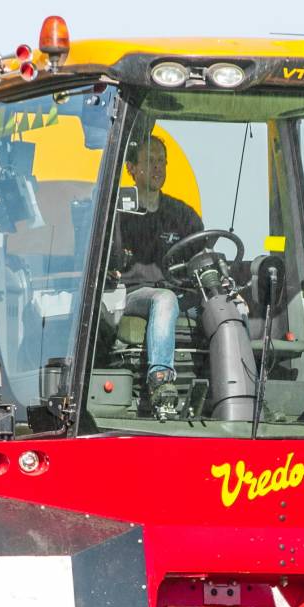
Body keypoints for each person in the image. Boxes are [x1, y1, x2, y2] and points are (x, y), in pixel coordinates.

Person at [114, 131, 202, 409]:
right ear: (131, 168)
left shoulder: (182, 214)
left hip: (179, 292)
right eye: (150, 160)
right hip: (132, 294)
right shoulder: (116, 212)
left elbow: (201, 256)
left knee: (224, 306)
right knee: (164, 300)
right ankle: (161, 378)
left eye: (161, 161)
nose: (157, 167)